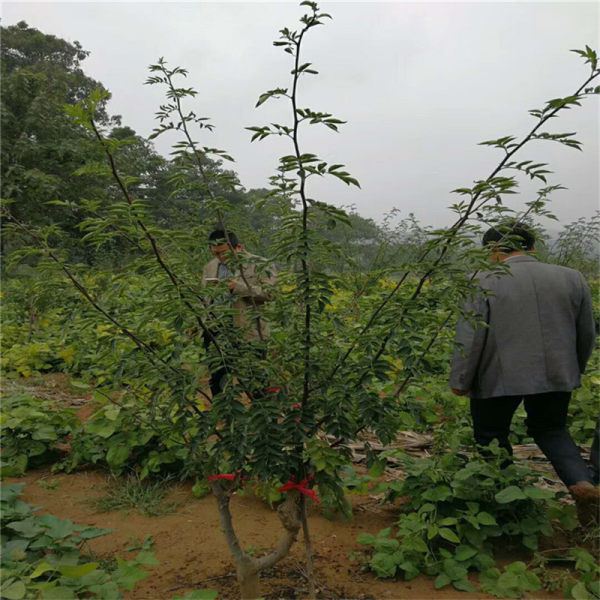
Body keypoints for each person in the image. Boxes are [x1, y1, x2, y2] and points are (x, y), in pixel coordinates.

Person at [449, 221, 599, 525]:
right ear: (532, 247)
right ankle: (583, 485)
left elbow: (471, 336)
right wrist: (573, 369)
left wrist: (460, 380)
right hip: (557, 372)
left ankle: (508, 506)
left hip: (497, 375)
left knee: (491, 435)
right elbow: (586, 333)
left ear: (492, 251)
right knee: (552, 430)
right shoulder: (572, 278)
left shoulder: (480, 279)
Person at [201, 228, 276, 400]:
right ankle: (223, 415)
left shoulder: (260, 264)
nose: (220, 257)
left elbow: (270, 293)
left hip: (248, 330)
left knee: (256, 376)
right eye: (216, 253)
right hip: (217, 329)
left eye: (224, 253)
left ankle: (263, 416)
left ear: (239, 247)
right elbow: (204, 298)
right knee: (218, 375)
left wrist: (238, 287)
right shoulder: (210, 267)